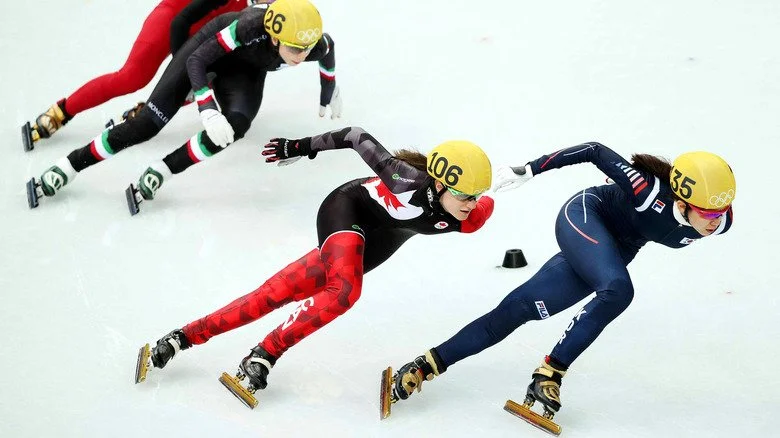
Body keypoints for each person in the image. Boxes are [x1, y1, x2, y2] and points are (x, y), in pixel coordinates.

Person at [134, 126, 495, 408]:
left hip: (378, 241)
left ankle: (181, 337)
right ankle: (265, 353)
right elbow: (355, 135)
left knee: (273, 295)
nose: (472, 204)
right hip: (345, 210)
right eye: (465, 196)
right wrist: (299, 147)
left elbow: (517, 176)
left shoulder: (471, 217)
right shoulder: (401, 178)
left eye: (477, 196)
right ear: (440, 183)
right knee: (344, 292)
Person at [386, 143, 736, 423]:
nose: (714, 221)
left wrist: (716, 215)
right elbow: (594, 151)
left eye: (720, 212)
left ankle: (425, 364)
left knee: (519, 309)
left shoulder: (721, 220)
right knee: (618, 290)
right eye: (706, 213)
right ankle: (550, 374)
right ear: (680, 200)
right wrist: (531, 167)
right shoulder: (646, 190)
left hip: (612, 250)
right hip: (586, 216)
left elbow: (711, 216)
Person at [27, 0, 341, 212]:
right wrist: (202, 102)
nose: (301, 55)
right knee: (145, 121)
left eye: (306, 48)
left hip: (244, 68)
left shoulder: (310, 42)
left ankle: (163, 171)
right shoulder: (248, 25)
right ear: (273, 36)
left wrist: (329, 87)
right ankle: (69, 165)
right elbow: (197, 57)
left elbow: (328, 50)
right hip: (203, 44)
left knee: (235, 127)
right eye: (295, 48)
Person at [21, 0, 258, 151]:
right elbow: (180, 22)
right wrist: (179, 68)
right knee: (133, 77)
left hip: (199, 39)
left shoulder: (263, 12)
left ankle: (143, 112)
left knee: (197, 86)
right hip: (172, 22)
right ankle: (61, 112)